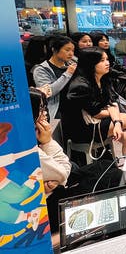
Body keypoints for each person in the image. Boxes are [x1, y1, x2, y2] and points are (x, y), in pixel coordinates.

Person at [61, 47, 126, 156]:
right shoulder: (80, 85)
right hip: (83, 129)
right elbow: (97, 113)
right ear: (90, 63)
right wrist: (117, 119)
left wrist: (117, 123)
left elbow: (112, 103)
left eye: (107, 59)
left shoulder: (103, 78)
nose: (107, 63)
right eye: (102, 60)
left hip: (97, 121)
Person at [30, 88, 71, 246]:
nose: (45, 113)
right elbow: (62, 174)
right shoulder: (28, 149)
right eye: (41, 109)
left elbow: (62, 172)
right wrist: (48, 142)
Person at [91, 31, 126, 108]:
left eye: (107, 40)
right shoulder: (95, 56)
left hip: (115, 78)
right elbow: (110, 70)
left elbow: (118, 66)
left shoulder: (109, 55)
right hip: (108, 81)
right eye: (102, 40)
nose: (106, 42)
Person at [32, 35, 77, 119]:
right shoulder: (41, 70)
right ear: (54, 50)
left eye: (73, 50)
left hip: (75, 105)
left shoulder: (72, 64)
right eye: (67, 50)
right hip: (57, 109)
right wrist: (68, 74)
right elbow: (48, 92)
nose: (71, 54)